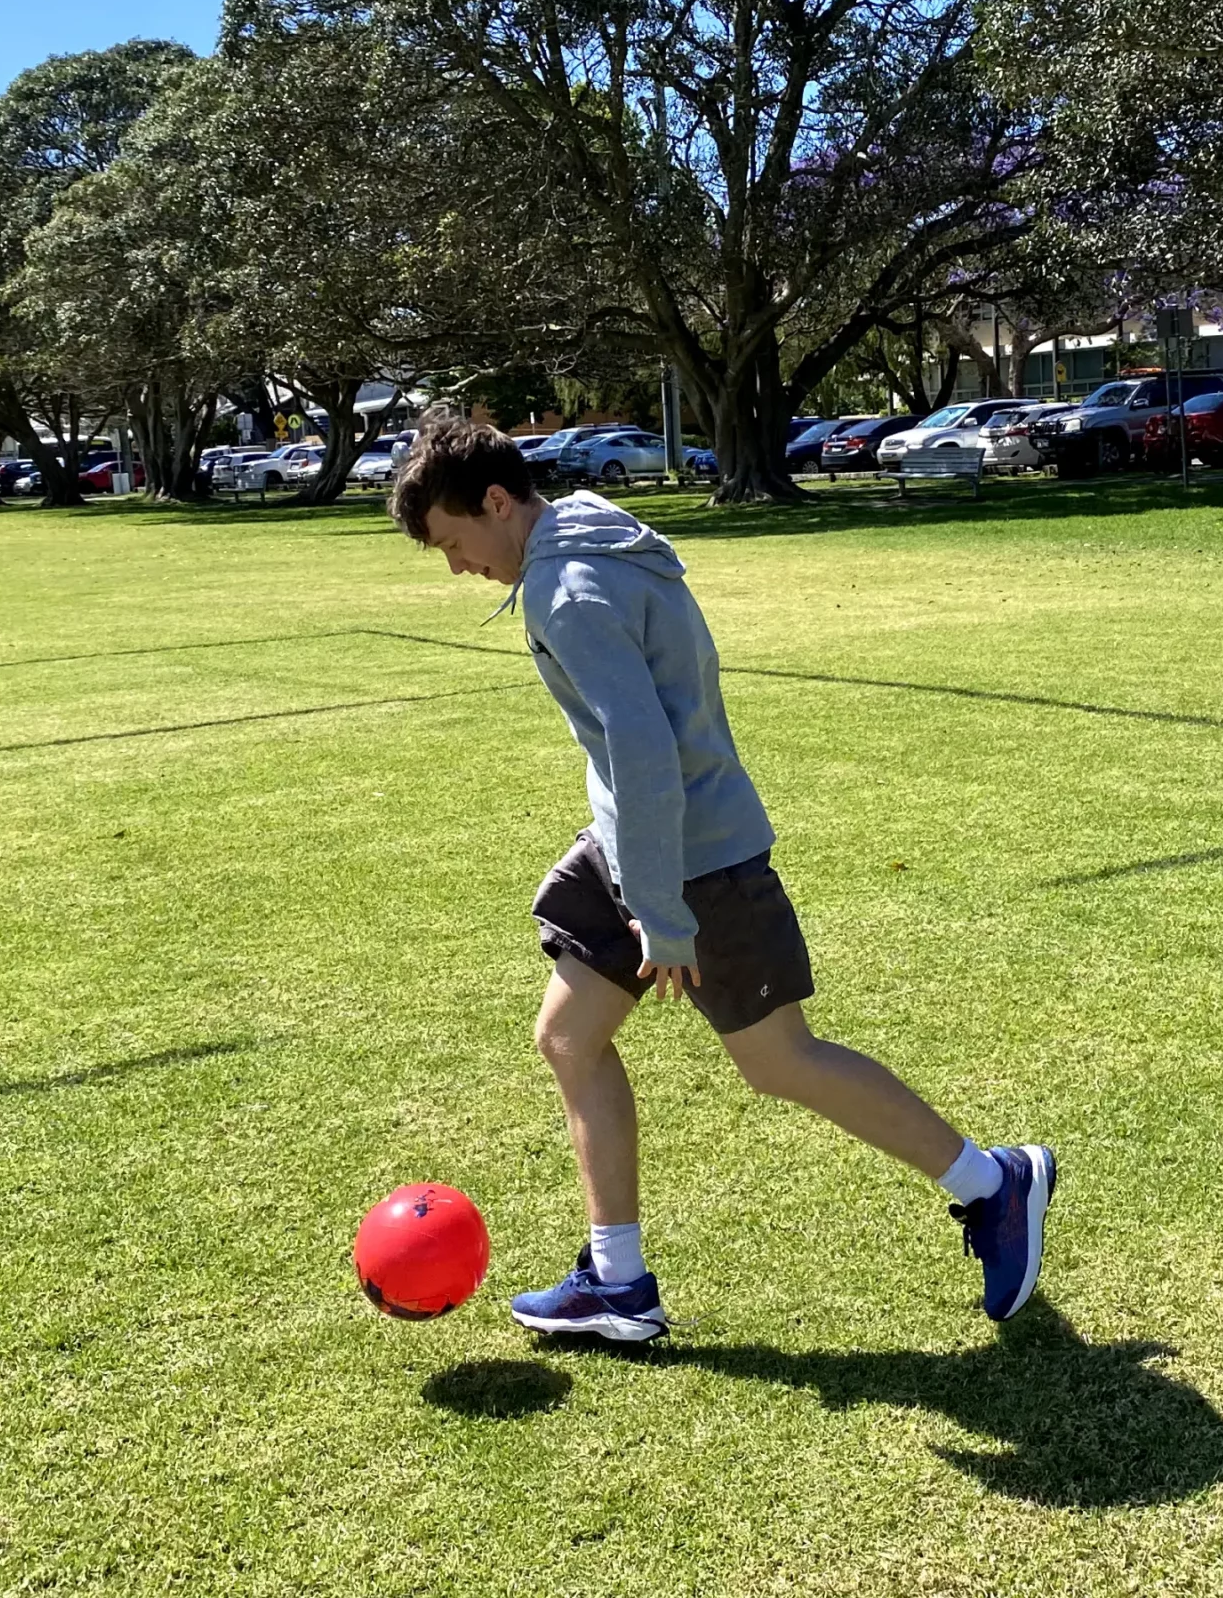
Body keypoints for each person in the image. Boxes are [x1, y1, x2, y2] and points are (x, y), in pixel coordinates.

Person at [386, 414, 1054, 1341]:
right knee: (570, 1038)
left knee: (781, 1061)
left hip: (693, 858)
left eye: (455, 544)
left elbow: (647, 753)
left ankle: (994, 1184)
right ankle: (618, 1281)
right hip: (636, 842)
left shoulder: (567, 590)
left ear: (498, 503)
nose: (458, 569)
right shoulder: (585, 525)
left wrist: (659, 910)